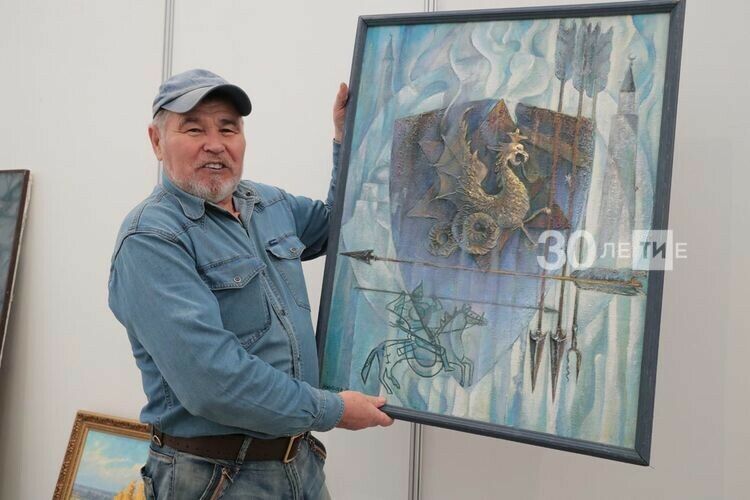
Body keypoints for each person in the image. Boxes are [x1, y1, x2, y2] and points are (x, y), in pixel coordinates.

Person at [108, 69, 393, 499]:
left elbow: (343, 229)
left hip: (300, 464)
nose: (215, 144)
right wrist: (333, 410)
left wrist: (349, 138)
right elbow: (213, 384)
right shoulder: (151, 238)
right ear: (156, 141)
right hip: (216, 478)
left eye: (228, 128)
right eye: (194, 129)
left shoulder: (268, 204)